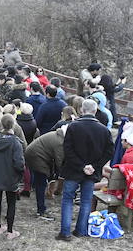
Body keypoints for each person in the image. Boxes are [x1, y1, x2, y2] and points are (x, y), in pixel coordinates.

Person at [57, 99, 114, 241]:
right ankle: (81, 230)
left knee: (68, 199)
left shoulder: (73, 127)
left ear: (82, 110)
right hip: (91, 172)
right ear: (95, 111)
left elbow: (67, 150)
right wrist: (94, 166)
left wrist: (83, 166)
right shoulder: (104, 130)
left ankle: (65, 232)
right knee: (86, 200)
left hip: (73, 170)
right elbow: (109, 152)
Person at [25, 126, 67, 220]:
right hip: (36, 157)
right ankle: (41, 211)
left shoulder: (57, 136)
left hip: (33, 154)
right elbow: (59, 161)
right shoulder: (59, 142)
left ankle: (41, 207)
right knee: (41, 183)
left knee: (40, 182)